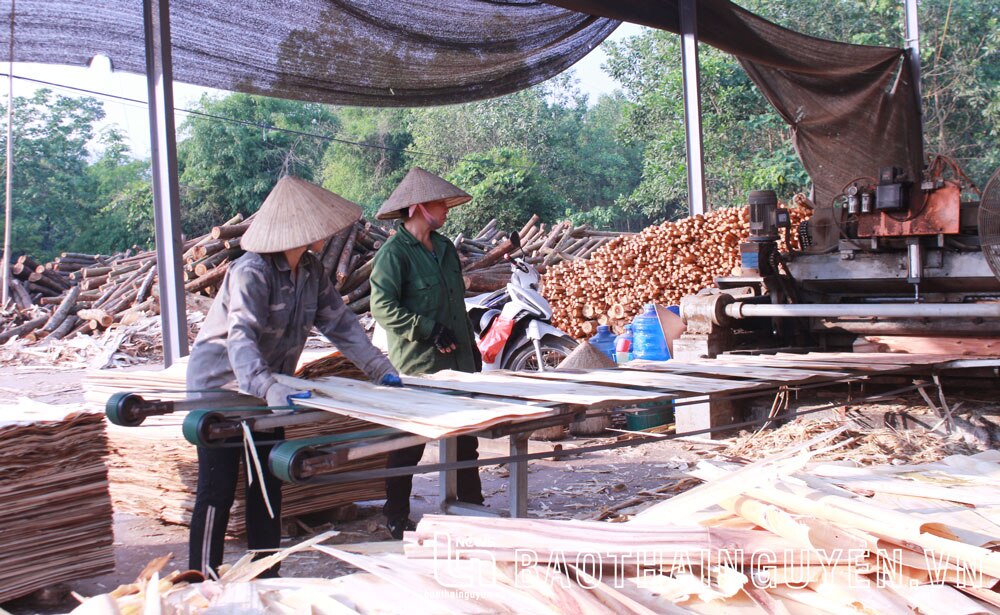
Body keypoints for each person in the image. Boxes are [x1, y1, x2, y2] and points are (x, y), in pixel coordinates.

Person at [186, 176, 400, 577]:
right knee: (216, 489)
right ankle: (200, 580)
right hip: (222, 391)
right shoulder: (252, 271)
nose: (327, 234)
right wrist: (266, 386)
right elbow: (241, 338)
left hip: (272, 390)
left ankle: (265, 576)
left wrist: (380, 369)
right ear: (299, 230)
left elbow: (341, 325)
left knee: (267, 485)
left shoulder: (311, 271)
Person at [369, 167, 484, 539]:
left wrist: (471, 346)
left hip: (459, 363)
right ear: (418, 207)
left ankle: (471, 506)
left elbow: (456, 303)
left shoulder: (447, 248)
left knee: (466, 439)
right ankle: (396, 514)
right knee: (408, 444)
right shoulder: (393, 254)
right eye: (440, 203)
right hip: (419, 366)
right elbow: (382, 308)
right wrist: (426, 328)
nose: (447, 209)